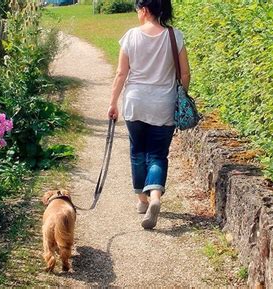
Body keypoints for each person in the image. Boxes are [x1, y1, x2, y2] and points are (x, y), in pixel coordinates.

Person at [107, 0, 190, 229]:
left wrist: (113, 103)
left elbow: (121, 73)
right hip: (163, 104)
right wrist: (179, 97)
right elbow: (184, 74)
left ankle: (142, 200)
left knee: (137, 152)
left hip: (135, 102)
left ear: (144, 10)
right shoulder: (175, 36)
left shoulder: (131, 36)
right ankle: (154, 196)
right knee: (157, 154)